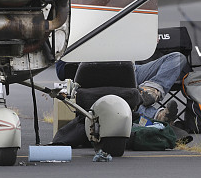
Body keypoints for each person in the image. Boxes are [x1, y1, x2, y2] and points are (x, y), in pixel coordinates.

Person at [55, 52, 186, 124]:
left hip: (132, 69)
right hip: (100, 74)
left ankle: (150, 90)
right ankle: (158, 115)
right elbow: (61, 71)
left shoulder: (120, 19)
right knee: (123, 94)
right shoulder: (76, 30)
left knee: (176, 58)